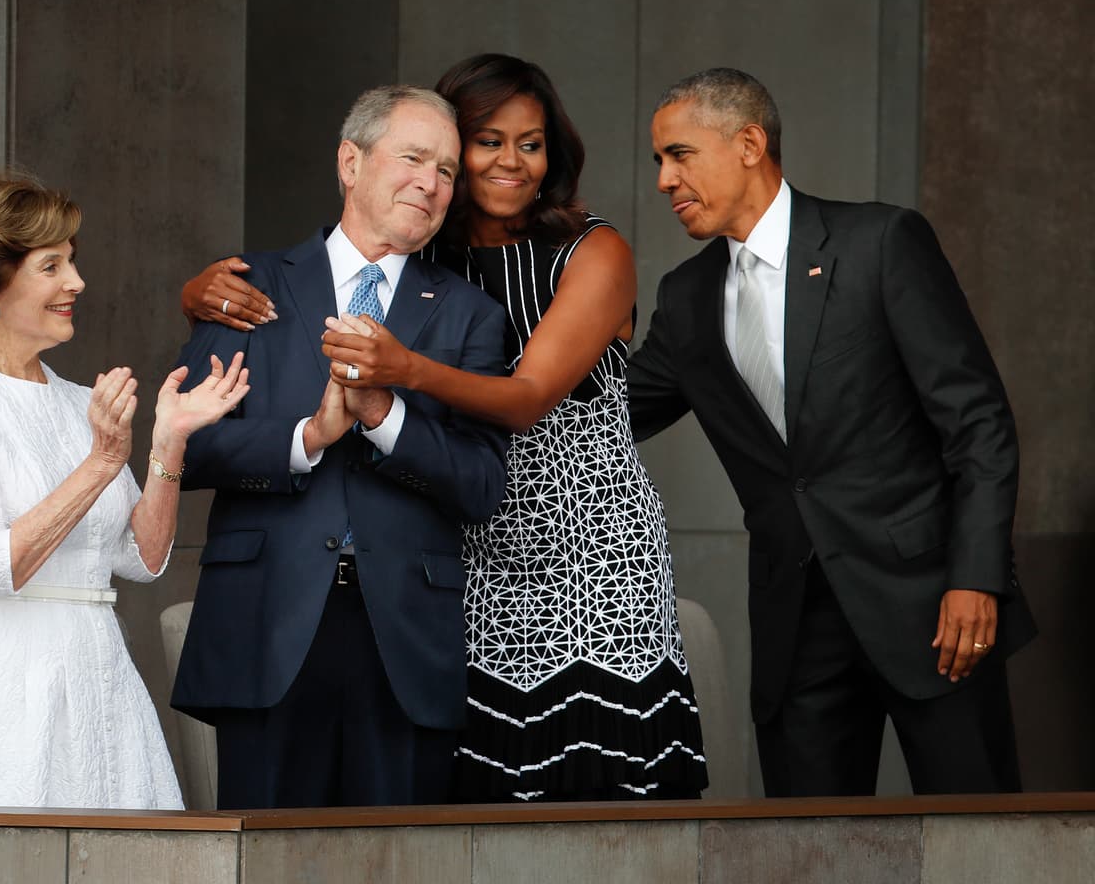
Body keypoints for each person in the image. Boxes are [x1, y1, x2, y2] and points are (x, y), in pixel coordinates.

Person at [182, 55, 709, 802]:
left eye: (530, 144)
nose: (506, 162)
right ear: (353, 162)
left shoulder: (574, 257)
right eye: (482, 144)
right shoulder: (394, 253)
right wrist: (200, 299)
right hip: (467, 573)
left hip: (583, 548)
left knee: (588, 784)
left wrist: (394, 387)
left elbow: (523, 400)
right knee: (484, 786)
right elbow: (198, 427)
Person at [626, 67, 1037, 797]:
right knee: (804, 854)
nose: (663, 179)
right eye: (660, 160)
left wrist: (975, 577)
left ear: (749, 143)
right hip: (796, 627)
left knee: (980, 842)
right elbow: (609, 417)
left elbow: (978, 424)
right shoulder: (686, 297)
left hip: (932, 606)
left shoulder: (881, 242)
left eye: (679, 154)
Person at [169, 85, 510, 810]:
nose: (432, 181)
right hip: (266, 623)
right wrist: (307, 437)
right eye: (414, 157)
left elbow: (483, 485)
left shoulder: (471, 315)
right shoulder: (245, 287)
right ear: (350, 163)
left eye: (448, 170)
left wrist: (385, 415)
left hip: (405, 638)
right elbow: (188, 451)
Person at [0, 174, 249, 809]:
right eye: (51, 265)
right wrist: (103, 461)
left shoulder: (81, 401)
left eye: (72, 263)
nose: (76, 283)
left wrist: (167, 444)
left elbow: (142, 560)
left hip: (99, 672)